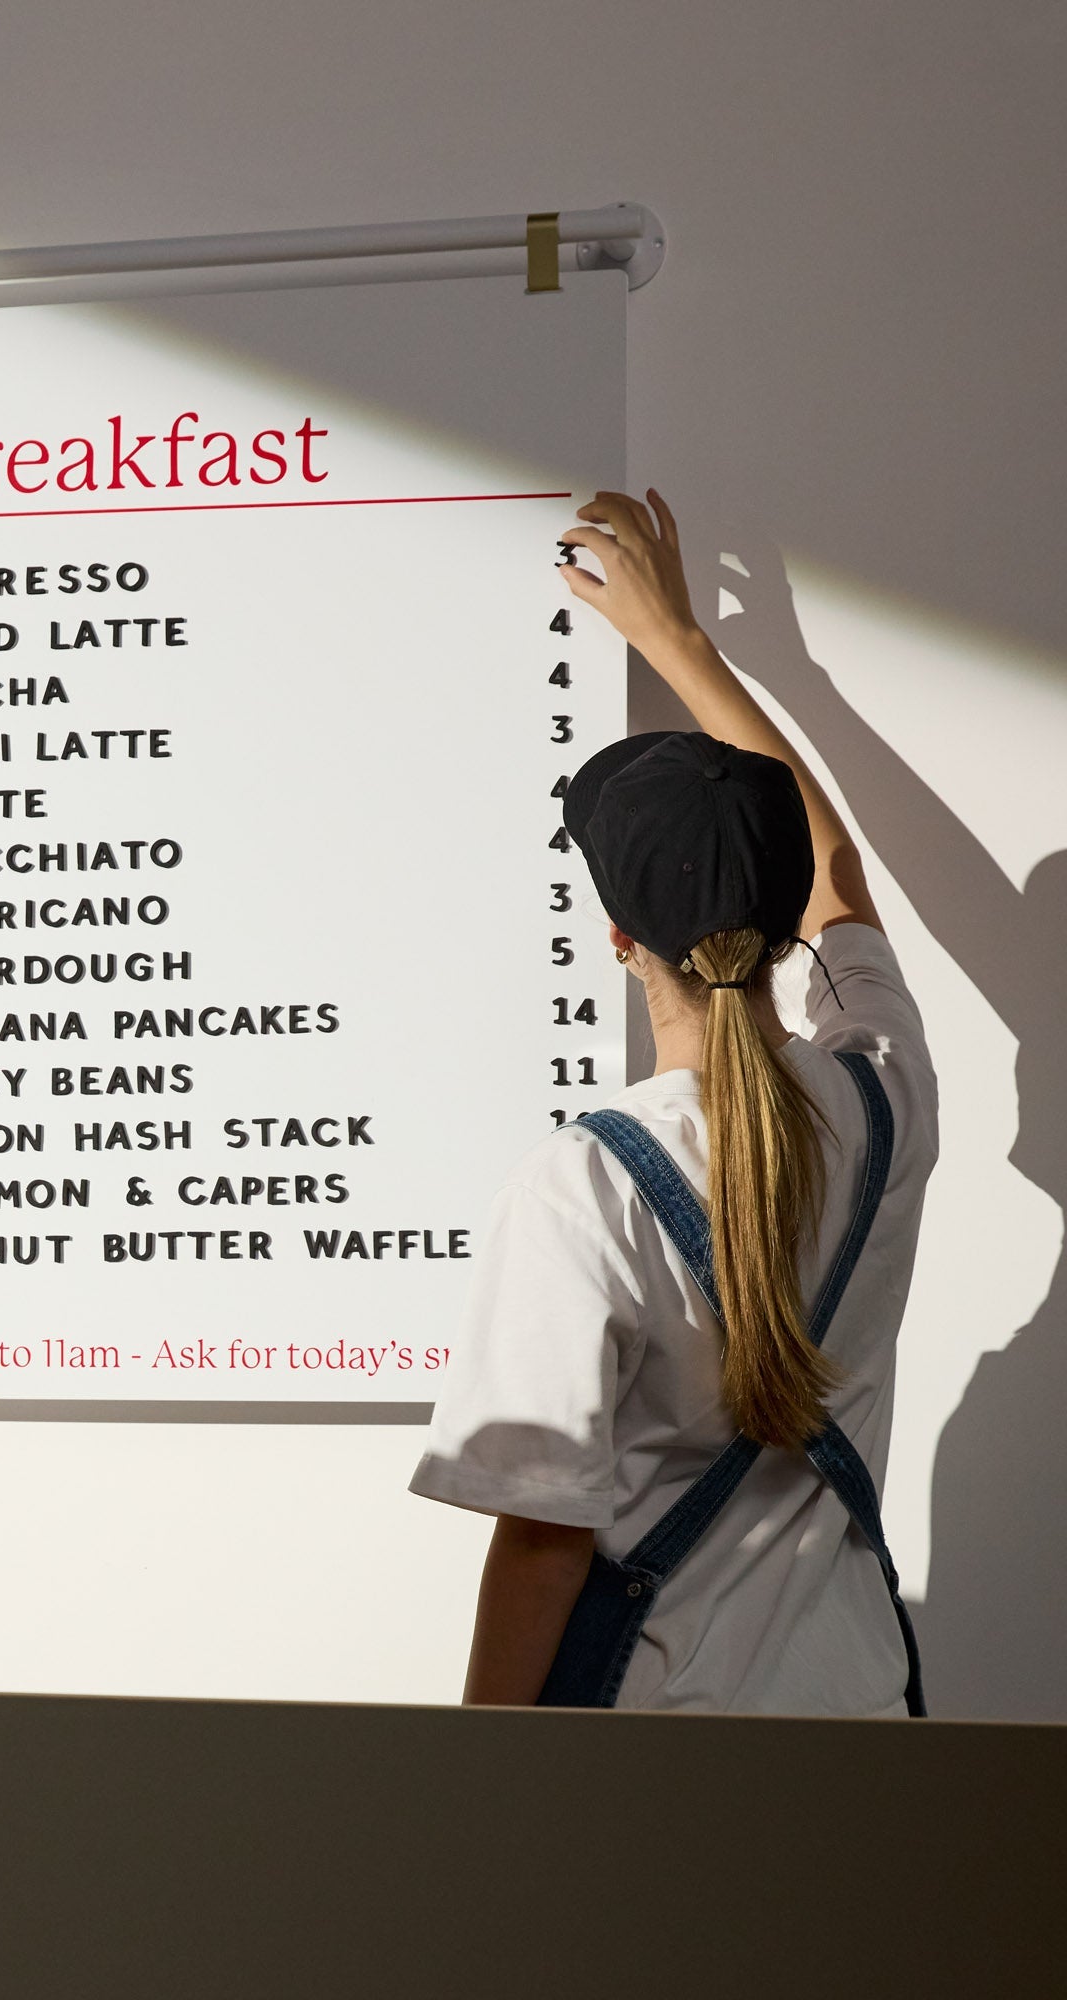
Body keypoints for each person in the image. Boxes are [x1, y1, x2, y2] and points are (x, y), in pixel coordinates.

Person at [408, 489, 937, 1714]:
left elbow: (541, 1539)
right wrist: (678, 641)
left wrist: (461, 1786)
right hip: (863, 1718)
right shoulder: (885, 1094)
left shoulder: (585, 1182)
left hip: (653, 1759)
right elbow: (841, 878)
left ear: (613, 937)